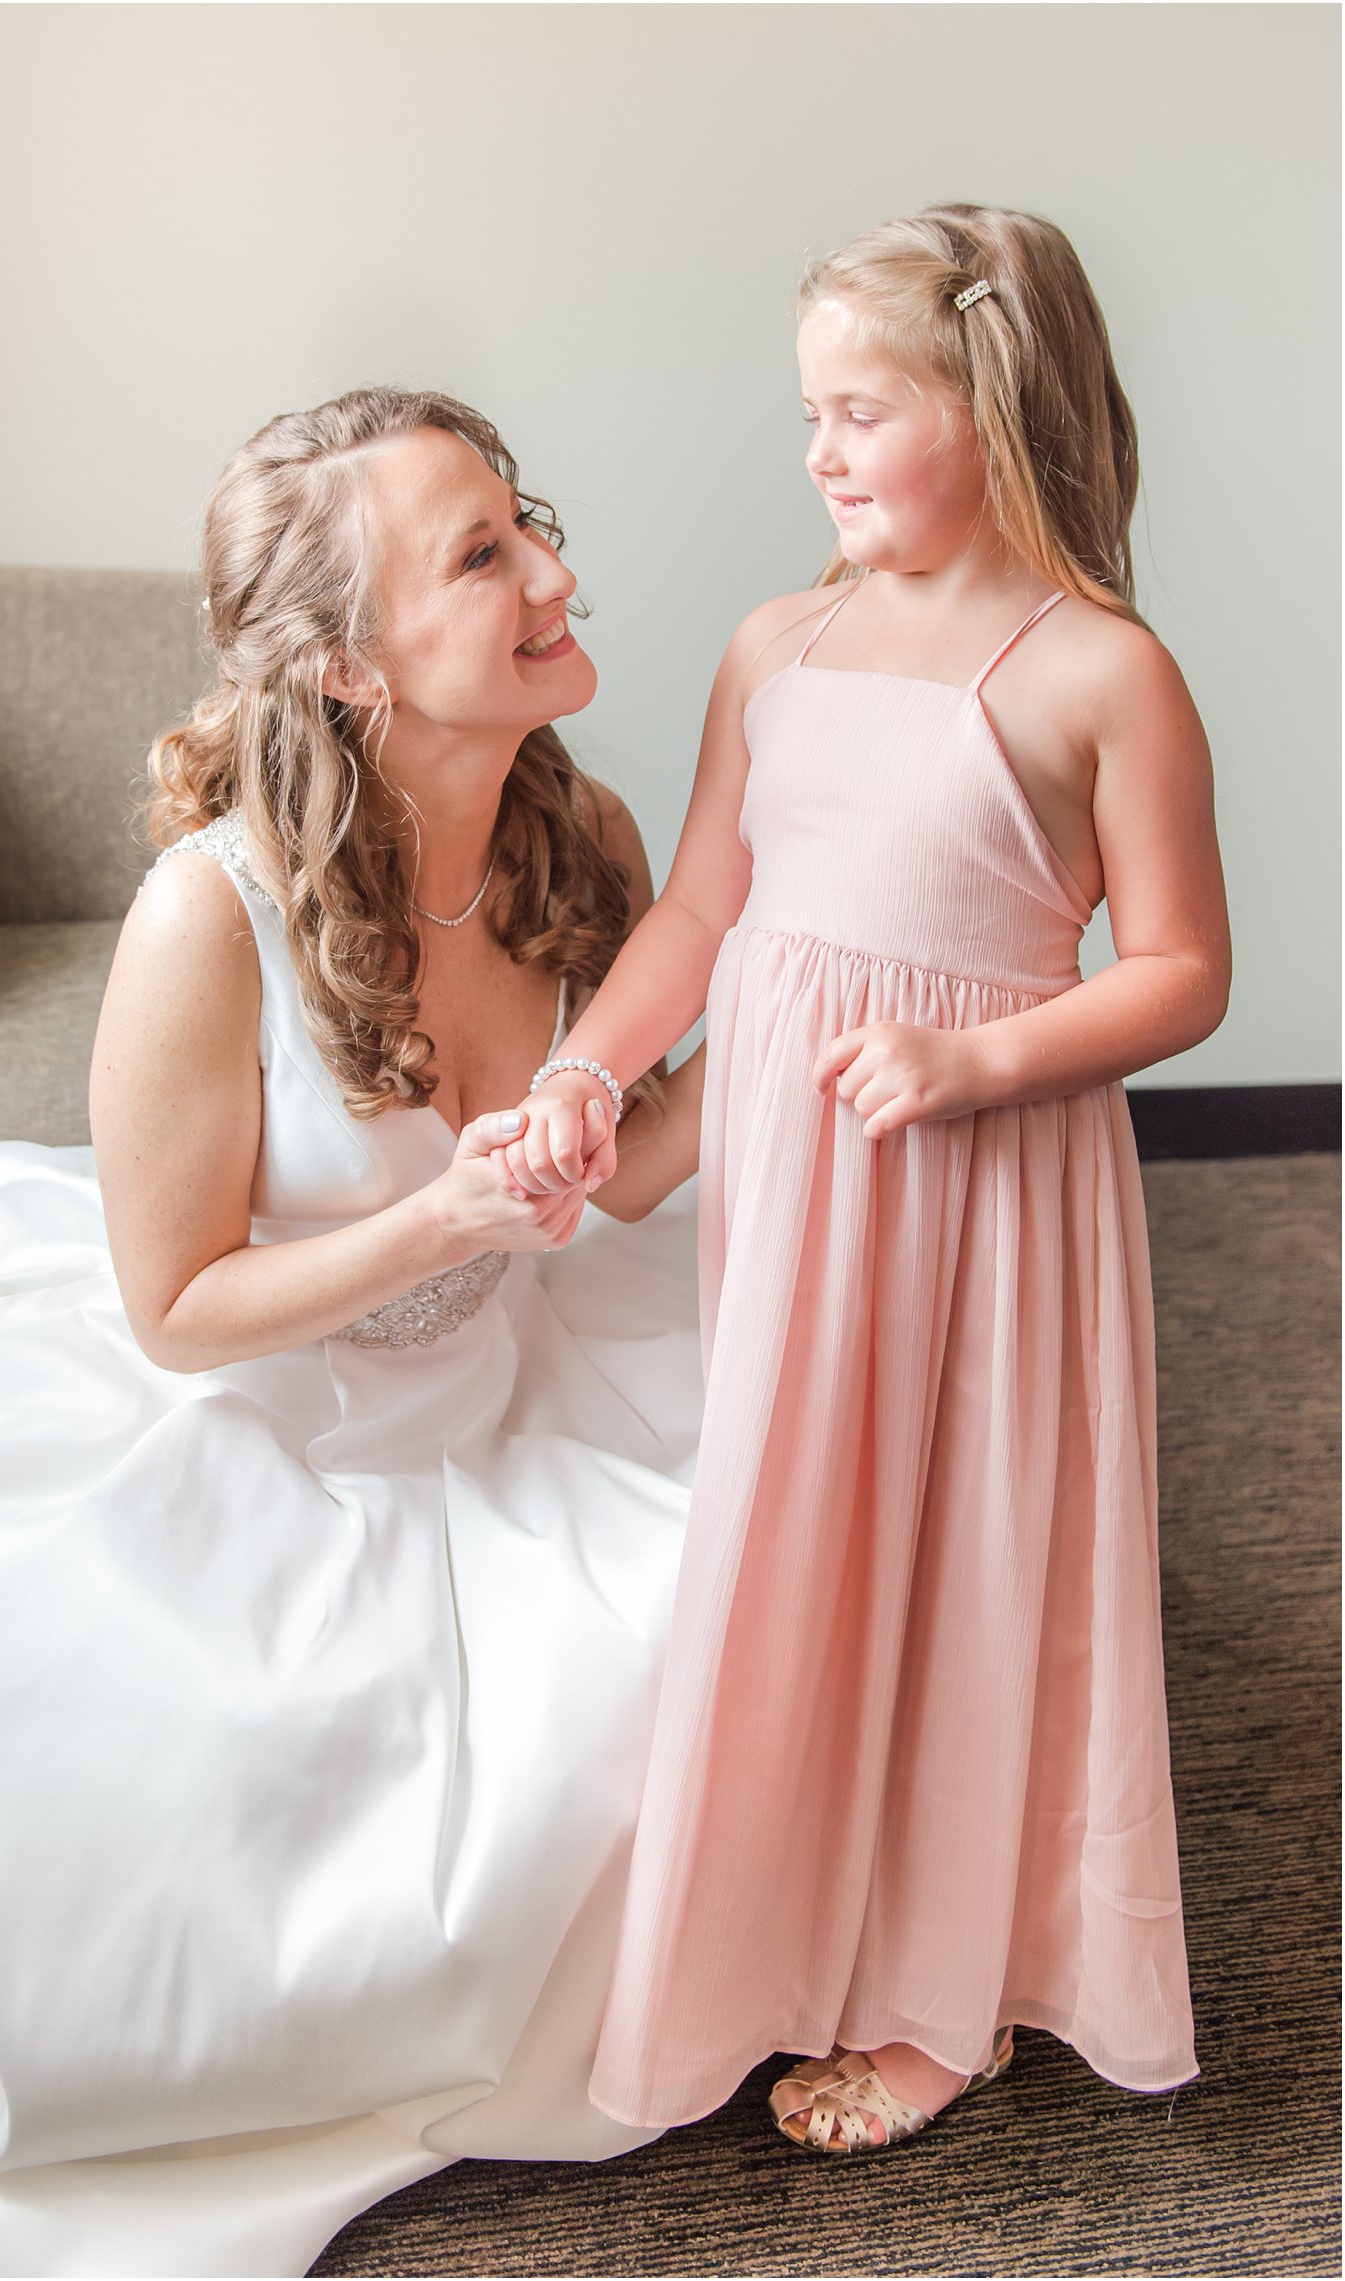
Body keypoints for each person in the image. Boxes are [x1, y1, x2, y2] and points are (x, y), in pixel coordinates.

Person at [0, 387, 704, 2278]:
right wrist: (444, 1213)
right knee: (189, 1788)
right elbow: (177, 1309)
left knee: (749, 1605)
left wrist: (838, 986)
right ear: (345, 664)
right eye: (479, 554)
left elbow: (627, 1165)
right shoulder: (202, 918)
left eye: (525, 514)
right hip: (264, 1416)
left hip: (522, 1384)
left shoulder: (588, 836)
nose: (554, 568)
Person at [501, 205, 1230, 2154]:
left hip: (977, 1188)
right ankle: (776, 1928)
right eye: (805, 411)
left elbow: (1179, 968)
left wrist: (972, 1056)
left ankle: (945, 1989)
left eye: (855, 409)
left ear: (986, 410)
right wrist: (590, 1067)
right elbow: (705, 909)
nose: (815, 451)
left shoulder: (1095, 674)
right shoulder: (781, 640)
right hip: (795, 1177)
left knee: (967, 1561)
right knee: (804, 1545)